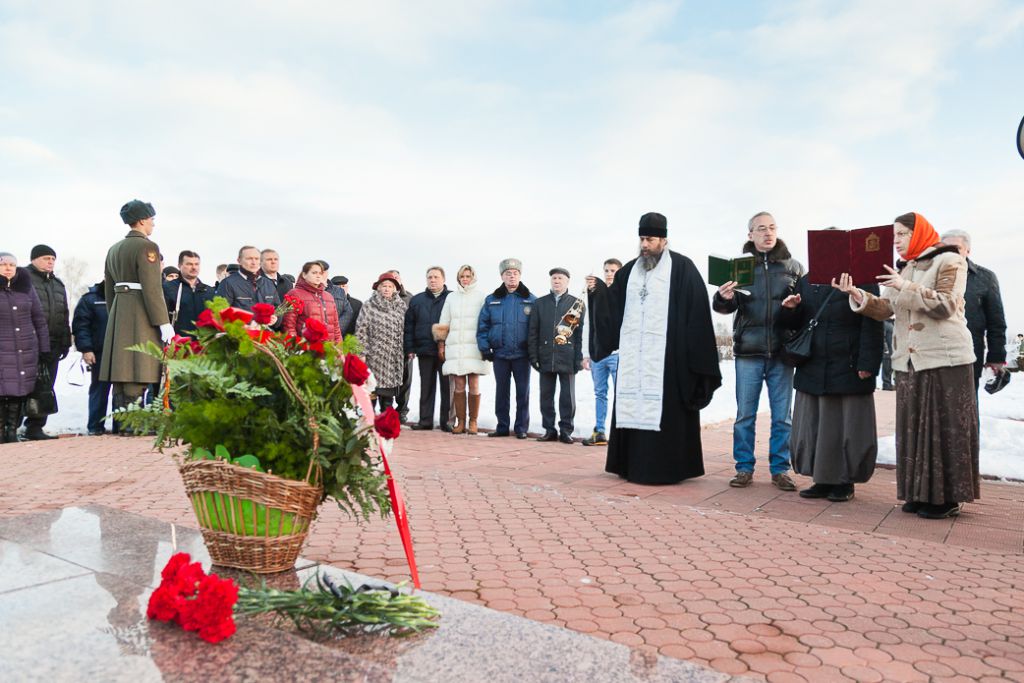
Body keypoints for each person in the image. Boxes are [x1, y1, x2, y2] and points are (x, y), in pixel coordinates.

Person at [836, 212, 978, 519]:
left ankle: (947, 498)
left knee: (944, 428)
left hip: (945, 357)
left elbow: (946, 304)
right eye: (894, 236)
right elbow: (885, 308)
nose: (896, 241)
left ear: (920, 233)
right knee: (914, 429)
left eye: (902, 234)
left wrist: (904, 286)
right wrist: (857, 294)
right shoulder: (905, 267)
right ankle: (919, 493)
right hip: (908, 359)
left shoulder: (950, 260)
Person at [587, 212, 722, 484]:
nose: (644, 245)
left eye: (650, 239)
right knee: (632, 402)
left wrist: (693, 356)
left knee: (668, 412)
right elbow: (612, 310)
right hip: (634, 362)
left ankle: (670, 468)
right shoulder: (628, 271)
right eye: (641, 239)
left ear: (664, 240)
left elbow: (697, 314)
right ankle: (630, 466)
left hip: (669, 361)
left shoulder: (682, 268)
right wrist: (598, 292)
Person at [712, 211, 803, 491]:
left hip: (782, 351)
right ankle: (744, 468)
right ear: (750, 235)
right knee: (745, 415)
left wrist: (794, 308)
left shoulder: (793, 267)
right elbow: (725, 307)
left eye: (772, 227)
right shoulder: (739, 268)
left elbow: (805, 310)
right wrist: (723, 297)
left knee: (782, 416)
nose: (768, 233)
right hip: (748, 351)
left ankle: (780, 469)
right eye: (761, 228)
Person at [780, 270, 883, 502]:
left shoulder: (862, 279)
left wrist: (868, 363)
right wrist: (790, 310)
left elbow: (873, 322)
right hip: (814, 364)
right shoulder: (807, 280)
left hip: (848, 363)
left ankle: (845, 481)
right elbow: (797, 324)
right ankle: (822, 479)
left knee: (846, 425)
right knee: (816, 425)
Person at [99, 200, 175, 431]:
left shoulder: (114, 249)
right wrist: (163, 321)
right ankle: (133, 425)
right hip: (140, 313)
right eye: (151, 219)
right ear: (142, 220)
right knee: (138, 367)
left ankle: (123, 423)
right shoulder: (147, 247)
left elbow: (109, 289)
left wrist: (115, 315)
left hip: (120, 310)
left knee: (122, 371)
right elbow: (152, 288)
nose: (153, 224)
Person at [940, 230, 1007, 391]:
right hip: (935, 355)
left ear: (967, 250)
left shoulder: (985, 278)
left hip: (969, 355)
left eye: (956, 248)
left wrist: (996, 358)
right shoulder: (930, 276)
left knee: (967, 401)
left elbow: (996, 321)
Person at [478, 258, 536, 438]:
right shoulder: (492, 300)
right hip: (500, 355)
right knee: (501, 392)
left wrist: (534, 351)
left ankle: (521, 428)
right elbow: (483, 326)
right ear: (502, 276)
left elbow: (536, 329)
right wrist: (485, 348)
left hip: (522, 355)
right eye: (508, 273)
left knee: (523, 393)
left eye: (515, 273)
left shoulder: (531, 300)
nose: (512, 276)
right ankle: (502, 426)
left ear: (520, 275)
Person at [528, 267, 585, 444]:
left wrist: (578, 358)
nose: (557, 281)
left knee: (567, 397)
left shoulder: (576, 304)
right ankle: (549, 430)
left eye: (560, 278)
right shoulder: (540, 303)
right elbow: (533, 332)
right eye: (554, 278)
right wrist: (533, 356)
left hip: (567, 357)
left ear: (567, 281)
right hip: (545, 356)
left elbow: (580, 334)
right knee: (546, 396)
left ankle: (566, 430)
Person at [23, 244, 72, 440]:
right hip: (27, 344)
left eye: (52, 259)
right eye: (46, 258)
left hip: (52, 344)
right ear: (34, 259)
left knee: (46, 386)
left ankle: (35, 427)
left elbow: (64, 315)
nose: (50, 262)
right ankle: (10, 426)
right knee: (22, 387)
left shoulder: (57, 284)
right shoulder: (22, 279)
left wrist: (66, 341)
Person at [0, 253, 50, 443]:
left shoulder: (26, 288)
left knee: (19, 391)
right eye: (3, 264)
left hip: (24, 349)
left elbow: (39, 319)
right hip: (2, 350)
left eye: (12, 265)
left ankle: (12, 432)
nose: (8, 268)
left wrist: (44, 348)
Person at [435, 265, 489, 434]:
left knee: (474, 383)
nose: (465, 279)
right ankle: (461, 422)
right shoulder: (451, 297)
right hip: (456, 347)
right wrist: (441, 343)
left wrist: (485, 345)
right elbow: (444, 321)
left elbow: (486, 322)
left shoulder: (481, 297)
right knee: (458, 384)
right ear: (458, 278)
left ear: (473, 277)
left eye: (468, 276)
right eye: (462, 276)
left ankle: (473, 421)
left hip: (474, 347)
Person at [404, 267, 452, 431]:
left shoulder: (451, 298)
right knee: (426, 387)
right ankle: (425, 420)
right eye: (430, 277)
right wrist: (410, 348)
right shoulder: (417, 300)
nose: (433, 280)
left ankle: (446, 421)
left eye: (436, 277)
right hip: (424, 349)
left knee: (447, 388)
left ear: (443, 279)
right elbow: (409, 326)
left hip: (446, 350)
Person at [582, 258, 622, 446]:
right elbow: (589, 324)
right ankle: (599, 431)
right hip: (597, 355)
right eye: (606, 270)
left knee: (621, 394)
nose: (609, 274)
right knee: (600, 394)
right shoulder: (596, 294)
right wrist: (586, 353)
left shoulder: (623, 293)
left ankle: (621, 434)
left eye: (613, 270)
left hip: (617, 354)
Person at [355, 272, 408, 411]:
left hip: (392, 359)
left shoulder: (401, 306)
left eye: (390, 286)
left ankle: (386, 420)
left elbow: (406, 329)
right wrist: (361, 353)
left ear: (395, 289)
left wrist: (408, 348)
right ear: (378, 287)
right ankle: (370, 421)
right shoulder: (369, 305)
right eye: (384, 286)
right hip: (373, 358)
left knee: (387, 400)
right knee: (371, 395)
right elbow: (361, 331)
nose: (387, 289)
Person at [72, 281, 112, 435]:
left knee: (122, 392)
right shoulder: (90, 299)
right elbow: (81, 325)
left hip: (123, 353)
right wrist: (86, 349)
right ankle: (95, 427)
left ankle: (121, 427)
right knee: (99, 390)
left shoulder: (127, 296)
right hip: (100, 352)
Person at [282, 261, 342, 341]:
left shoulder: (329, 296)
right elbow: (288, 325)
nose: (318, 276)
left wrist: (339, 345)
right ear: (304, 274)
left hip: (329, 345)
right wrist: (295, 345)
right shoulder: (294, 294)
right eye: (314, 273)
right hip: (306, 345)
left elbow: (336, 327)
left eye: (320, 273)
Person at [163, 250, 215, 338]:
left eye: (196, 264)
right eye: (189, 264)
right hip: (179, 341)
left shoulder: (209, 291)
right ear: (179, 265)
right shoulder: (168, 288)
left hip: (204, 341)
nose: (194, 267)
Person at [217, 246, 282, 314]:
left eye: (257, 259)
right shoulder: (227, 283)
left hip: (266, 321)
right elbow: (221, 312)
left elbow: (278, 309)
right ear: (239, 260)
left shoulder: (269, 284)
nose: (254, 262)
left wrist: (275, 318)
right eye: (249, 259)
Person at [387, 270, 415, 423]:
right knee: (386, 380)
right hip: (386, 347)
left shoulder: (410, 298)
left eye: (396, 277)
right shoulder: (379, 297)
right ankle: (387, 410)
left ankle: (402, 411)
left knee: (405, 379)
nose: (394, 280)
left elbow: (415, 322)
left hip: (405, 345)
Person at [322, 267, 354, 338]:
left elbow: (349, 313)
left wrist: (337, 330)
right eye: (338, 286)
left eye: (343, 286)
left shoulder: (357, 304)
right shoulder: (328, 296)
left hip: (345, 338)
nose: (341, 288)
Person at [880, 318, 895, 390]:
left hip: (893, 350)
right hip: (887, 351)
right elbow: (883, 337)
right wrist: (886, 350)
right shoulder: (885, 323)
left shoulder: (892, 323)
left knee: (890, 368)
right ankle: (886, 384)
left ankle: (889, 384)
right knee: (886, 367)